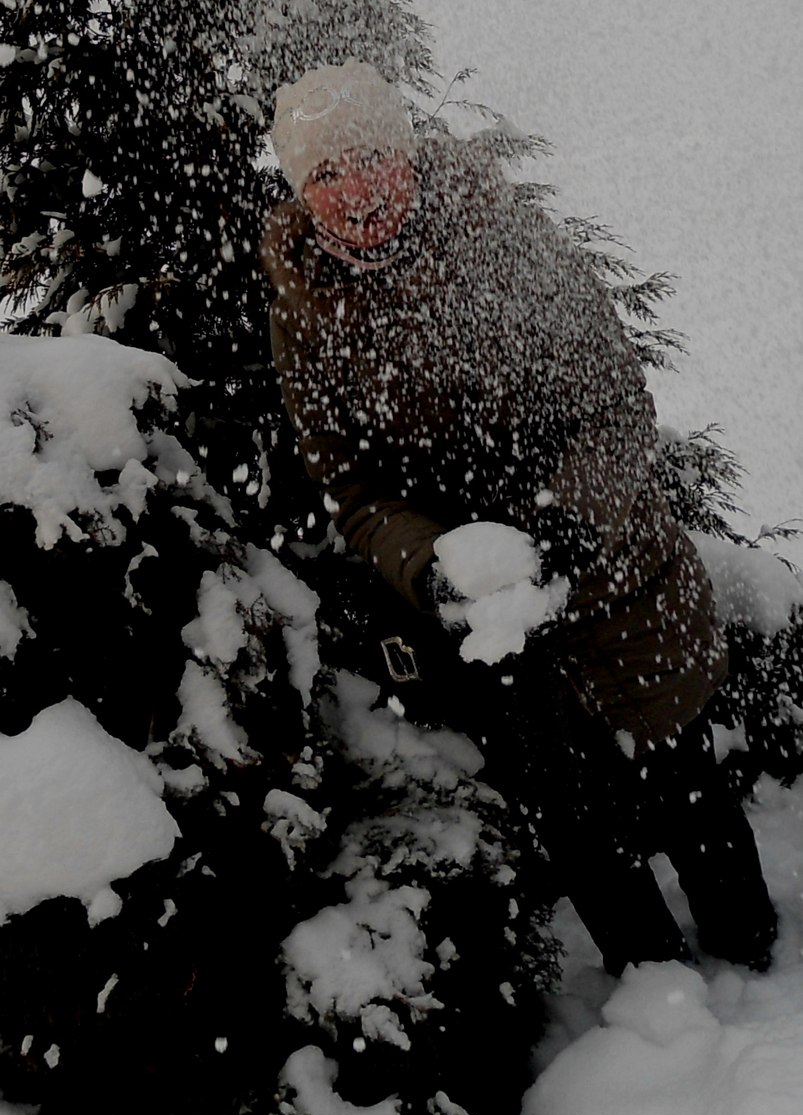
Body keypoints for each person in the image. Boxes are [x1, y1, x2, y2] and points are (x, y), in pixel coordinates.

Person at [262, 58, 777, 978]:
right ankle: (653, 994)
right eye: (324, 175)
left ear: (409, 158)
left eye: (370, 157)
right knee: (566, 809)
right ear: (303, 195)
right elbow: (354, 491)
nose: (354, 190)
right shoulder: (305, 307)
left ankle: (750, 960)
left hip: (616, 575)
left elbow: (614, 402)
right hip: (482, 622)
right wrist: (430, 568)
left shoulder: (504, 241)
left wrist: (568, 522)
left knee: (677, 773)